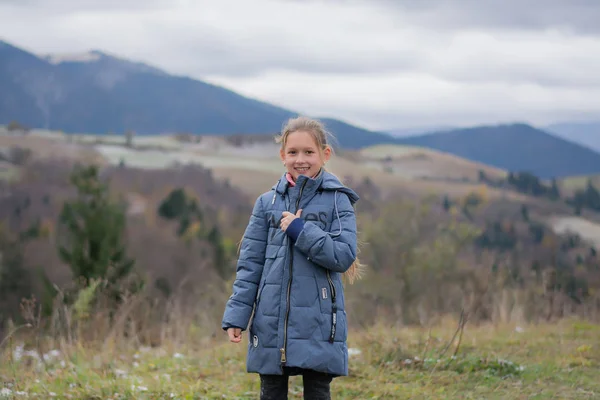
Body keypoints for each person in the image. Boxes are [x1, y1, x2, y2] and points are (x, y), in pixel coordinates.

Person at [221, 116, 362, 399]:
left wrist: (301, 231)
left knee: (318, 392)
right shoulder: (266, 203)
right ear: (282, 155)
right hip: (271, 322)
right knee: (271, 391)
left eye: (309, 152)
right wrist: (237, 315)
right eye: (293, 152)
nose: (301, 159)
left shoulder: (338, 200)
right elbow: (250, 266)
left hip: (321, 324)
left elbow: (343, 256)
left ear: (325, 154)